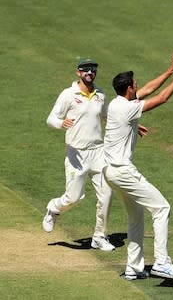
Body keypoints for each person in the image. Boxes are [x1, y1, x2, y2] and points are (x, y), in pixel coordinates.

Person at [103, 50, 173, 280]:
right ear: (129, 88)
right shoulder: (128, 108)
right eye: (135, 85)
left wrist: (170, 71)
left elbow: (150, 88)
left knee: (136, 216)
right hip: (123, 171)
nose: (138, 86)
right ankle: (162, 262)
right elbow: (161, 99)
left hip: (110, 172)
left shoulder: (117, 103)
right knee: (162, 208)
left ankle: (133, 269)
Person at [43, 58, 115, 252]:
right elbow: (51, 118)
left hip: (98, 153)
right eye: (86, 70)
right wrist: (61, 124)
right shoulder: (68, 94)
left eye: (93, 70)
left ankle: (99, 236)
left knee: (107, 194)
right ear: (78, 72)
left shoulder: (100, 95)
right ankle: (54, 208)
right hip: (76, 153)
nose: (90, 73)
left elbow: (108, 117)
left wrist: (131, 126)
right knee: (74, 197)